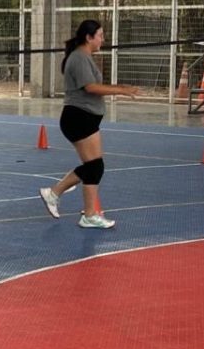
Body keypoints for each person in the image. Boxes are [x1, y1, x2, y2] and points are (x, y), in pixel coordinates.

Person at [37, 18, 140, 228]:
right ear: (89, 37)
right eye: (100, 35)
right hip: (78, 118)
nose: (103, 39)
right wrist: (122, 90)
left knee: (93, 166)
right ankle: (84, 211)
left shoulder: (84, 57)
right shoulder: (79, 58)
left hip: (85, 118)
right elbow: (91, 87)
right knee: (95, 166)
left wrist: (121, 88)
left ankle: (58, 195)